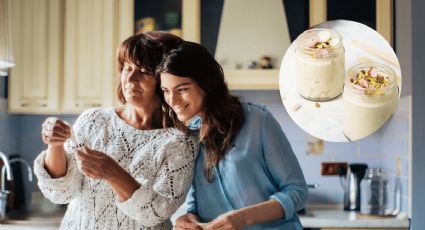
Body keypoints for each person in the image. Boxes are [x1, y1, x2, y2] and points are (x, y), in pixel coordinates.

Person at [34, 32, 198, 230]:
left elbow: (155, 212)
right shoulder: (94, 120)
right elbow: (60, 193)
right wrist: (55, 146)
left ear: (165, 79)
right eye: (127, 68)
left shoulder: (181, 142)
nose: (130, 78)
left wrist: (112, 172)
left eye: (144, 71)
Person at [157, 41, 308, 230]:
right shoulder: (188, 137)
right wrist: (188, 218)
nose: (173, 100)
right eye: (166, 91)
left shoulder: (258, 121)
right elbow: (198, 201)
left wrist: (244, 218)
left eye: (182, 89)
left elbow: (297, 192)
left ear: (206, 83)